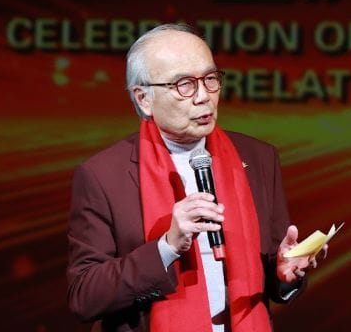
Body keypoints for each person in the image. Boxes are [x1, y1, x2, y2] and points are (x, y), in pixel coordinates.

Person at [66, 23, 326, 332]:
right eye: (184, 85)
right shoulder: (103, 175)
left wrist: (285, 274)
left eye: (210, 79)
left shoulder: (258, 158)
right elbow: (84, 296)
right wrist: (167, 247)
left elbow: (272, 275)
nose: (204, 96)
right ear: (144, 98)